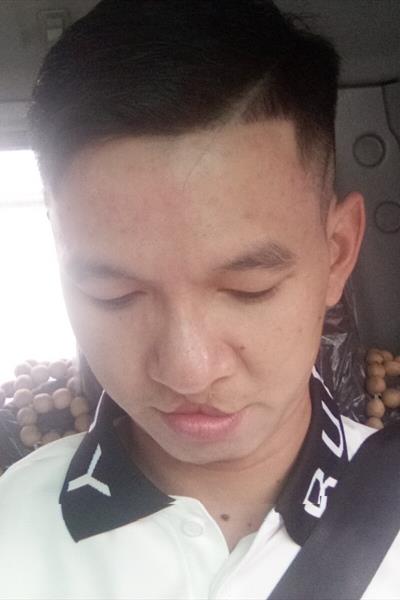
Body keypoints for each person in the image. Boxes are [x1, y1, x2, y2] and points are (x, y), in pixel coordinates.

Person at [0, 1, 397, 598]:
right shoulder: (12, 533)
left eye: (248, 290)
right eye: (115, 294)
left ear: (337, 255)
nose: (188, 371)